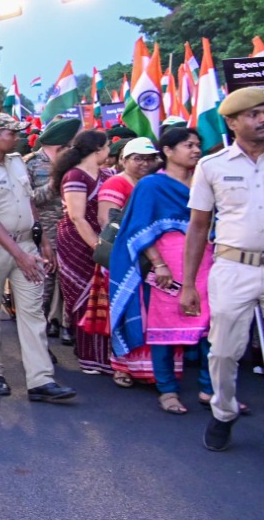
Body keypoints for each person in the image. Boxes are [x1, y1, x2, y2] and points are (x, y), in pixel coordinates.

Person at [181, 86, 264, 454]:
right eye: (254, 114)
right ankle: (223, 412)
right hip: (233, 268)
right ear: (232, 123)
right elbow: (198, 227)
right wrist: (188, 284)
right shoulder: (212, 166)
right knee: (223, 352)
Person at [108, 127, 217, 415]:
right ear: (168, 151)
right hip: (167, 267)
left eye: (197, 144)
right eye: (188, 145)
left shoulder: (205, 181)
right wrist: (159, 264)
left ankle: (210, 389)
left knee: (212, 328)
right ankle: (167, 390)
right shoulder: (151, 186)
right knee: (165, 328)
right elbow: (139, 229)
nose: (196, 150)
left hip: (206, 263)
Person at [0, 114, 75, 403]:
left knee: (33, 311)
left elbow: (29, 203)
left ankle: (41, 379)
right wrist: (21, 255)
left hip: (27, 242)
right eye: (11, 133)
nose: (17, 137)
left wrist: (42, 241)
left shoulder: (17, 161)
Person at [95, 137, 163, 387]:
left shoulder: (155, 182)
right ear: (124, 160)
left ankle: (152, 369)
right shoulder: (117, 183)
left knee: (151, 314)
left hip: (152, 258)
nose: (144, 163)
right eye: (138, 158)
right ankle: (121, 367)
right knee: (124, 312)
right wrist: (136, 247)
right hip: (124, 259)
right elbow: (108, 222)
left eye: (149, 158)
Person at [52, 129, 115, 376]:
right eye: (107, 146)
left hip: (102, 238)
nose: (109, 151)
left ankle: (106, 357)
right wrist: (98, 248)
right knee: (83, 297)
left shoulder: (107, 174)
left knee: (104, 296)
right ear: (97, 150)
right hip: (77, 242)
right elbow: (77, 217)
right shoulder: (75, 176)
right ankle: (89, 358)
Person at [28, 118, 79, 344]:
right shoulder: (31, 164)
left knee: (69, 279)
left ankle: (67, 324)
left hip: (71, 229)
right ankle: (41, 331)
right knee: (45, 283)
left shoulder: (74, 163)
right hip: (43, 233)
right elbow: (29, 200)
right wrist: (53, 183)